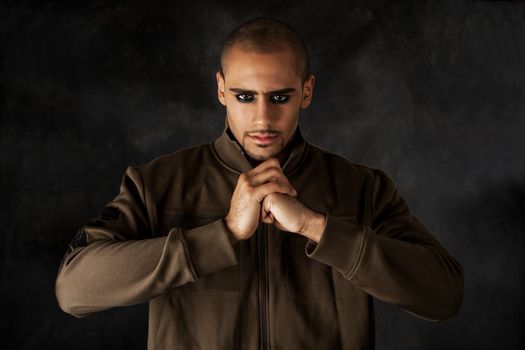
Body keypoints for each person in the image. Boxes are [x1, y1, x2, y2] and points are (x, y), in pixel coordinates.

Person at [55, 17, 464, 349]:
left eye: (280, 97)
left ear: (307, 91)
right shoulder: (158, 184)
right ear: (221, 90)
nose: (263, 119)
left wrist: (315, 227)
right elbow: (73, 290)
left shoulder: (363, 189)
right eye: (245, 97)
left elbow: (444, 295)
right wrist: (224, 233)